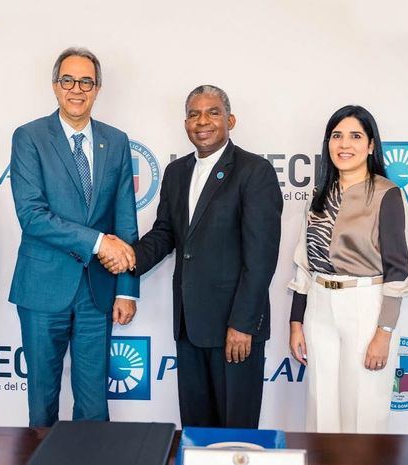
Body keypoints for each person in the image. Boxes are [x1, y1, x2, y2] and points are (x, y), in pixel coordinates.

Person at [101, 85, 282, 428]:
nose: (203, 121)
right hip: (189, 326)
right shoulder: (176, 172)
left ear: (230, 120)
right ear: (185, 123)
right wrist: (128, 256)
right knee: (196, 433)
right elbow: (165, 234)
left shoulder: (254, 171)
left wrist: (243, 324)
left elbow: (261, 259)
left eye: (213, 112)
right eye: (194, 114)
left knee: (236, 434)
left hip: (234, 330)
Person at [9, 47, 139, 427]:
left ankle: (91, 455)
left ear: (97, 88)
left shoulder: (116, 141)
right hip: (42, 287)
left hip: (97, 290)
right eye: (68, 80)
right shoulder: (29, 137)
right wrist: (99, 243)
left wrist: (127, 289)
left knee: (94, 406)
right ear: (55, 85)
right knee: (42, 405)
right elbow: (32, 216)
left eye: (86, 81)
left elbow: (125, 220)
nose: (76, 89)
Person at [287, 105, 408, 433]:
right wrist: (296, 322)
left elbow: (398, 271)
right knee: (320, 410)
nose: (344, 144)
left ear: (371, 145)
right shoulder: (319, 195)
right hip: (319, 306)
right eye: (337, 136)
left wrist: (384, 333)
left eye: (355, 136)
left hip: (365, 307)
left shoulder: (387, 194)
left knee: (363, 413)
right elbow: (304, 263)